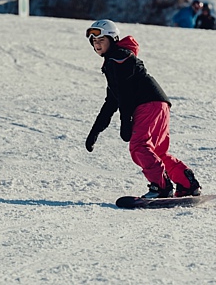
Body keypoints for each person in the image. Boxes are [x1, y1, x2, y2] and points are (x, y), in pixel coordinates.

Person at [84, 19, 201, 199]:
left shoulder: (118, 58)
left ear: (113, 39)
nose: (97, 45)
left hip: (147, 104)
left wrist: (125, 122)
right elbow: (112, 101)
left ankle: (161, 187)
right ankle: (187, 183)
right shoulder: (116, 60)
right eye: (94, 42)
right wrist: (95, 131)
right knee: (156, 152)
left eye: (101, 40)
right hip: (159, 104)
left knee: (139, 146)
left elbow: (124, 94)